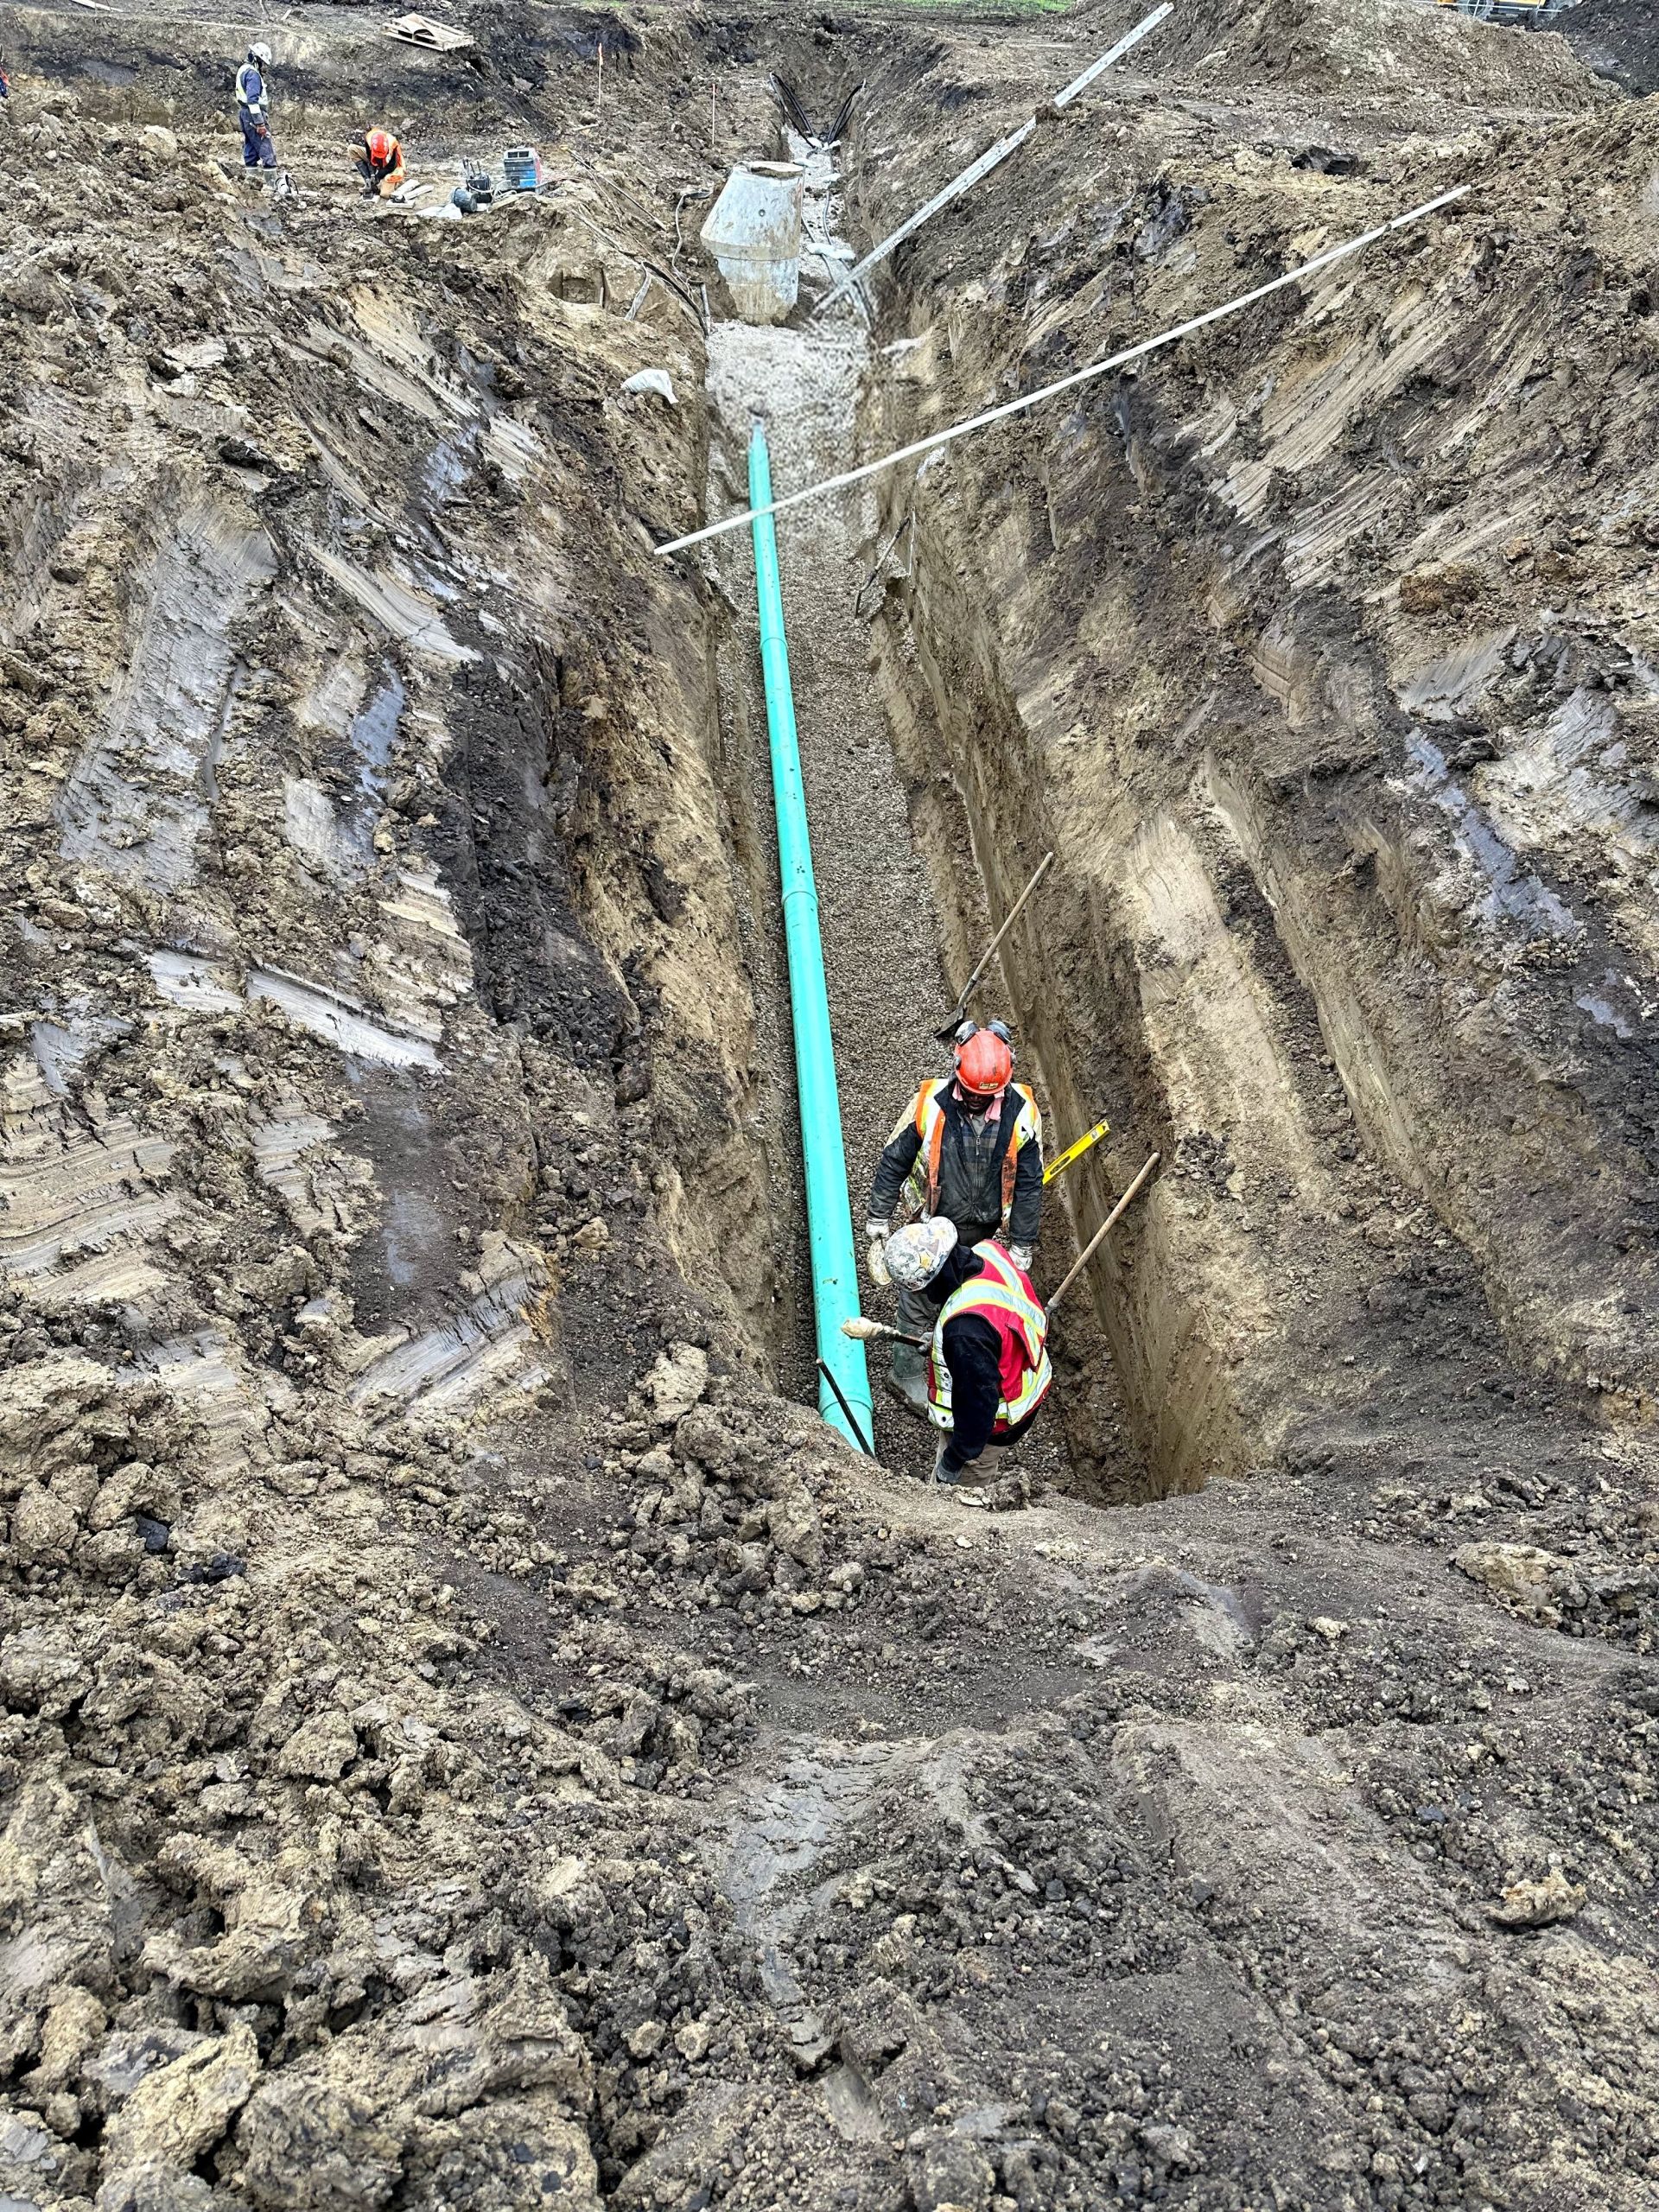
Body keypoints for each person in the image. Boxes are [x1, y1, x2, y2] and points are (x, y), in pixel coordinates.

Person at [866, 1020, 1043, 1413]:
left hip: (984, 1226)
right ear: (956, 1071)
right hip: (932, 1221)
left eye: (987, 1096)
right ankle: (905, 1374)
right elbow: (895, 1159)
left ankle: (949, 1353)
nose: (978, 1101)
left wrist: (1022, 1243)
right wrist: (879, 1215)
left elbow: (1030, 1182)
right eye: (972, 1093)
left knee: (965, 1291)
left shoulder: (1022, 1112)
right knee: (918, 1295)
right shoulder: (930, 1103)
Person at [885, 1217, 1052, 1486]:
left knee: (962, 1498)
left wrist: (954, 1460)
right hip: (1024, 1372)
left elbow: (978, 1409)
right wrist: (943, 1343)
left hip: (997, 1423)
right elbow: (995, 1327)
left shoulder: (965, 1333)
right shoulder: (989, 1251)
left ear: (931, 1281)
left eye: (921, 1290)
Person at [235, 43, 275, 171]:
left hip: (245, 113)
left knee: (251, 149)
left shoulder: (243, 69)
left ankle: (251, 179)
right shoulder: (253, 74)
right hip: (253, 114)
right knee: (266, 148)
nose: (264, 68)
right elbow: (252, 100)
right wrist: (260, 123)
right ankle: (271, 179)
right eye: (263, 63)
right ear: (257, 59)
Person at [353, 127, 406, 198]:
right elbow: (369, 158)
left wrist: (378, 176)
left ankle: (394, 183)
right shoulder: (369, 139)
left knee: (385, 194)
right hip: (379, 161)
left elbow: (391, 167)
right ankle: (369, 183)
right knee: (352, 149)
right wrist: (371, 175)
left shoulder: (392, 146)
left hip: (394, 167)